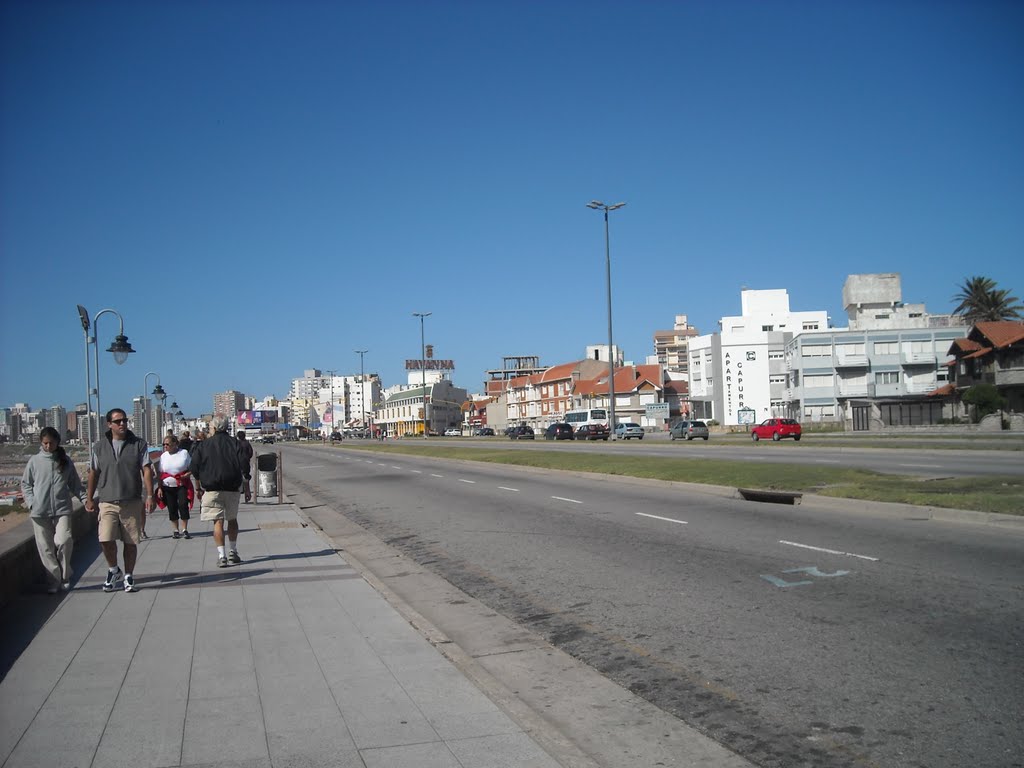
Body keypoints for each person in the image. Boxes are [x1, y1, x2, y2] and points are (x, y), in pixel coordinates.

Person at [85, 408, 154, 593]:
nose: (122, 424)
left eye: (124, 420)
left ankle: (128, 575)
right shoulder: (99, 447)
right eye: (117, 421)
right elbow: (93, 472)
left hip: (131, 500)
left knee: (130, 542)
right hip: (107, 501)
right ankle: (113, 569)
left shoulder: (138, 444)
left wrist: (149, 495)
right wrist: (89, 498)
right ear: (109, 425)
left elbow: (147, 469)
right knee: (105, 539)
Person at [21, 427, 85, 593]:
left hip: (62, 509)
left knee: (64, 540)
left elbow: (76, 485)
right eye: (45, 443)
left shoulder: (65, 461)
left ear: (57, 442)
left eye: (51, 443)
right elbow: (26, 484)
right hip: (39, 512)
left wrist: (85, 500)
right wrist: (31, 503)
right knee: (46, 548)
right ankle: (53, 580)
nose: (48, 446)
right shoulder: (34, 461)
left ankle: (65, 575)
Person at [192, 416, 251, 567]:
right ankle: (233, 551)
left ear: (214, 428)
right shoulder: (234, 443)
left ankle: (221, 555)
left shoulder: (204, 445)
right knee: (232, 519)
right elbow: (244, 463)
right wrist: (246, 480)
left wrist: (199, 481)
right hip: (232, 487)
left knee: (217, 522)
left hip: (212, 488)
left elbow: (194, 466)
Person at [156, 434, 193, 539]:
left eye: (167, 444)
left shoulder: (184, 453)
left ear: (175, 444)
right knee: (172, 507)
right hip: (167, 486)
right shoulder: (163, 456)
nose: (165, 446)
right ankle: (175, 529)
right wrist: (159, 487)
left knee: (183, 504)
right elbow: (160, 473)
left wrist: (187, 475)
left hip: (181, 485)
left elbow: (192, 468)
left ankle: (185, 529)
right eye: (164, 444)